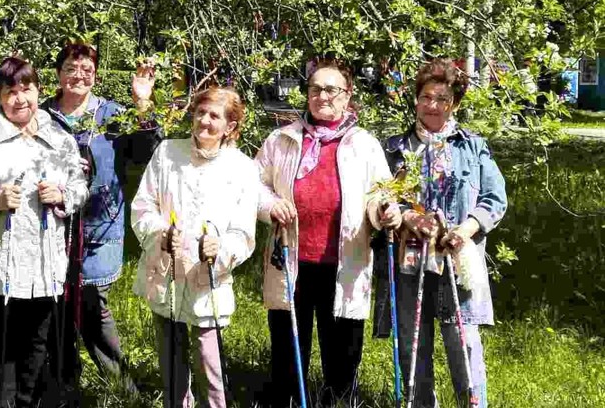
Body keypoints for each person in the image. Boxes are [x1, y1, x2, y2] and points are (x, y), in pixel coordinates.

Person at [0, 56, 89, 408]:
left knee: (37, 341)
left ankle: (28, 400)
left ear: (39, 90)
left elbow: (79, 185)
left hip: (45, 259)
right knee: (2, 339)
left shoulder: (58, 136)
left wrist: (63, 196)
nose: (19, 99)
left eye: (27, 89)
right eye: (10, 91)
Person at [256, 58, 400, 407]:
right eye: (315, 88)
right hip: (290, 258)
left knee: (343, 349)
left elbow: (382, 192)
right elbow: (253, 186)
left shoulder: (363, 143)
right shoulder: (282, 139)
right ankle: (289, 400)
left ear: (348, 96)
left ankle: (338, 400)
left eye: (331, 90)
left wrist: (386, 211)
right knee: (290, 346)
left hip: (344, 261)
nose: (322, 96)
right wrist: (270, 204)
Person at [373, 58, 507, 408]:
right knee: (413, 343)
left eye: (443, 99)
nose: (433, 105)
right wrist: (404, 217)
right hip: (411, 257)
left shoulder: (473, 146)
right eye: (427, 97)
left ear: (455, 104)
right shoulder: (395, 148)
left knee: (462, 340)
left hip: (456, 256)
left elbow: (495, 198)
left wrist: (466, 229)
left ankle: (473, 404)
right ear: (416, 99)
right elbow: (380, 197)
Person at [39, 43, 160, 397]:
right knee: (55, 306)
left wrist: (142, 102)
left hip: (99, 226)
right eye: (71, 68)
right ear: (58, 73)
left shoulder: (112, 115)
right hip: (50, 225)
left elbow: (147, 152)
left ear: (96, 74)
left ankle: (124, 388)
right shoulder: (41, 114)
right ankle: (63, 384)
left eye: (87, 70)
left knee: (93, 306)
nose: (79, 76)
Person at [130, 86, 259, 408]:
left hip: (207, 279)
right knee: (170, 358)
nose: (204, 121)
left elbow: (243, 231)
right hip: (168, 271)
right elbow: (143, 206)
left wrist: (222, 247)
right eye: (200, 112)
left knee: (209, 360)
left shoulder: (242, 167)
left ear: (230, 126)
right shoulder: (167, 152)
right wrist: (161, 233)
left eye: (214, 116)